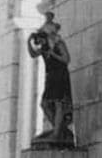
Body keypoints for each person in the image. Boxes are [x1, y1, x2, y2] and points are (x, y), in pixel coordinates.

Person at [27, 12, 75, 146]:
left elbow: (66, 59)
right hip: (51, 76)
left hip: (60, 74)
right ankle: (60, 130)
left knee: (59, 103)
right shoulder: (45, 47)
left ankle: (57, 133)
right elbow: (33, 54)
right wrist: (28, 42)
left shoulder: (58, 44)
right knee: (45, 103)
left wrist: (53, 54)